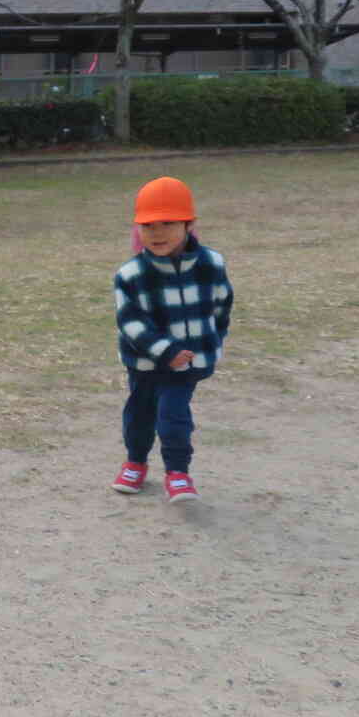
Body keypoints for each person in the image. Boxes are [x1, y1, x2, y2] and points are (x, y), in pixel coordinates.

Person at [111, 177, 233, 503]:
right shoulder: (131, 275)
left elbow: (221, 307)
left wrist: (211, 344)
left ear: (189, 224)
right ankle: (135, 461)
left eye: (168, 223)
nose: (158, 232)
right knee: (139, 413)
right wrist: (165, 350)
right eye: (148, 225)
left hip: (187, 366)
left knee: (173, 416)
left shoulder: (212, 265)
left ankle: (178, 472)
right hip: (145, 363)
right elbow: (130, 322)